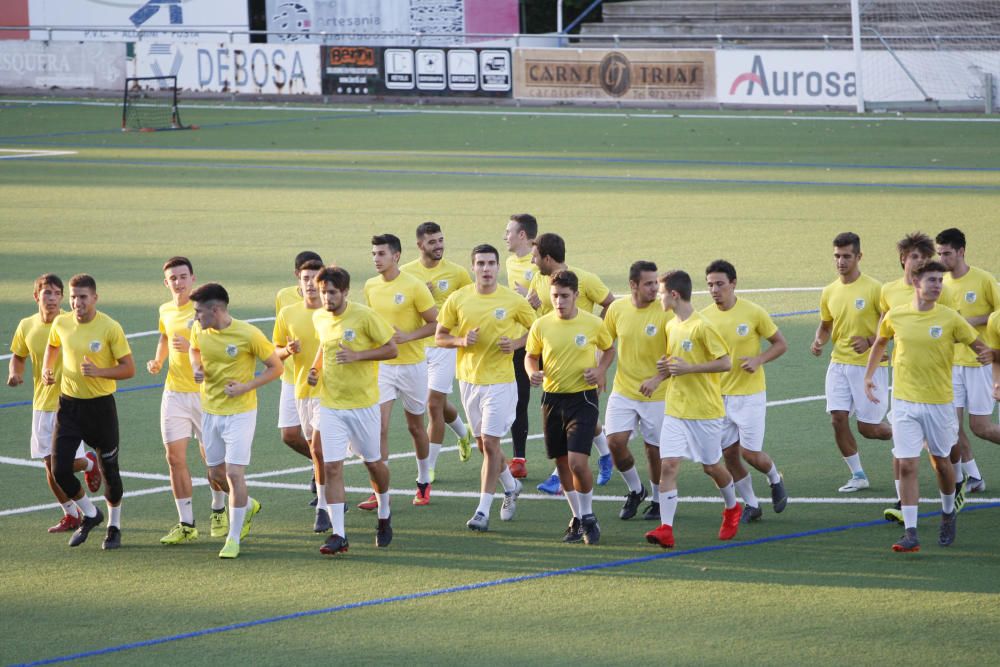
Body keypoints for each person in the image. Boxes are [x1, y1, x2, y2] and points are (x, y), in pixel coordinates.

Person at [864, 260, 990, 552]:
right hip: (905, 401)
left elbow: (978, 347)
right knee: (907, 464)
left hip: (939, 404)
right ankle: (911, 532)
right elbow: (880, 342)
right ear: (916, 282)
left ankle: (948, 511)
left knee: (941, 464)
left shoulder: (950, 318)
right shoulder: (896, 315)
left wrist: (985, 357)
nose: (937, 285)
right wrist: (869, 376)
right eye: (931, 280)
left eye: (939, 280)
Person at [437, 244, 536, 531]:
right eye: (480, 263)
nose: (486, 268)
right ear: (473, 267)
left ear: (497, 267)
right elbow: (440, 336)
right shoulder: (458, 299)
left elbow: (538, 331)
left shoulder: (512, 300)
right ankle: (511, 485)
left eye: (491, 263)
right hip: (469, 381)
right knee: (482, 444)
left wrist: (516, 344)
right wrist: (460, 341)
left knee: (491, 444)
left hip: (501, 383)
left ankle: (482, 510)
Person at [645, 270, 740, 549]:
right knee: (669, 465)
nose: (658, 297)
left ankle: (732, 507)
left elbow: (725, 363)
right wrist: (657, 377)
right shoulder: (671, 325)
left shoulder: (702, 326)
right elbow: (675, 365)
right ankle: (666, 529)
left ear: (674, 295)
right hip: (676, 409)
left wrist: (690, 369)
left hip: (706, 411)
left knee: (711, 467)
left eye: (661, 292)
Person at [189, 283, 282, 559]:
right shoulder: (199, 330)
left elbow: (276, 367)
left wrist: (246, 387)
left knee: (233, 473)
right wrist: (197, 367)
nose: (195, 317)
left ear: (215, 310)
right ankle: (247, 503)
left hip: (240, 413)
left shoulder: (248, 334)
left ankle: (233, 538)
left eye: (199, 312)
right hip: (210, 411)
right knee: (215, 474)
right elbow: (194, 350)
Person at [309, 266, 398, 555]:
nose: (327, 298)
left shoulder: (364, 316)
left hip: (364, 406)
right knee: (331, 466)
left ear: (345, 291)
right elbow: (324, 346)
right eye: (323, 292)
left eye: (332, 293)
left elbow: (391, 349)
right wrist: (315, 369)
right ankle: (339, 534)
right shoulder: (319, 317)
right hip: (331, 405)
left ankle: (384, 512)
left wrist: (359, 355)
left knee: (372, 463)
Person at [43, 274, 135, 549]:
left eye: (82, 297)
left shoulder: (109, 327)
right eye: (72, 297)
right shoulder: (61, 322)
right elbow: (53, 345)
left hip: (101, 408)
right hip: (69, 406)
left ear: (95, 297)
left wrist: (100, 372)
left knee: (110, 473)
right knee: (59, 470)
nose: (76, 302)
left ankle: (114, 526)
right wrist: (49, 368)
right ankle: (92, 515)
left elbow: (129, 368)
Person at [525, 270, 615, 545]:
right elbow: (531, 355)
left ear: (576, 295)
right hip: (552, 399)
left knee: (577, 462)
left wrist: (600, 371)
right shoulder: (541, 325)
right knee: (562, 463)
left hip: (583, 399)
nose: (559, 301)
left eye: (565, 296)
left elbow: (609, 349)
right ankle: (578, 518)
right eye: (555, 296)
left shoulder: (591, 324)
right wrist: (532, 372)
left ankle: (587, 516)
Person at [7, 274, 101, 534]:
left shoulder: (70, 323)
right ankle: (71, 515)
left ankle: (91, 463)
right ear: (36, 296)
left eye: (56, 293)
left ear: (62, 297)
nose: (51, 298)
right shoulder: (26, 325)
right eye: (46, 293)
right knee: (49, 466)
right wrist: (15, 373)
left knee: (63, 465)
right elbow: (18, 355)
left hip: (68, 403)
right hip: (41, 404)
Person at [148, 257, 230, 545]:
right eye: (173, 278)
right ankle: (186, 523)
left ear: (193, 278)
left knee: (213, 460)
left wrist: (191, 348)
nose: (179, 282)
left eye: (183, 276)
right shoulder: (165, 310)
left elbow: (218, 346)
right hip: (174, 393)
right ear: (166, 282)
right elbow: (164, 336)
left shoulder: (203, 310)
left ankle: (219, 508)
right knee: (174, 458)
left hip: (203, 393)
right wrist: (159, 360)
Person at [527, 232, 617, 493]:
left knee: (582, 415)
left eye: (535, 257)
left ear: (547, 257)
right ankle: (605, 453)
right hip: (552, 354)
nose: (533, 262)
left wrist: (597, 350)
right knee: (579, 420)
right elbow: (540, 318)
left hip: (585, 356)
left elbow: (610, 304)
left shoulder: (585, 279)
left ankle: (560, 477)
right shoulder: (539, 280)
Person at [879, 232, 958, 522]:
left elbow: (952, 325)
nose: (919, 263)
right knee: (903, 452)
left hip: (937, 380)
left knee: (942, 453)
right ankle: (903, 505)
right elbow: (883, 329)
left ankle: (955, 481)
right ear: (903, 259)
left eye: (925, 259)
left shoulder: (939, 290)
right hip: (903, 383)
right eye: (914, 257)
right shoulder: (887, 291)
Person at [701, 260, 788, 523]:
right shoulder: (704, 317)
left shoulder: (753, 312)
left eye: (720, 284)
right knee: (728, 455)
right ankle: (751, 503)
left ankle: (774, 478)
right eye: (710, 285)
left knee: (749, 453)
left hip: (750, 395)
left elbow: (780, 344)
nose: (715, 290)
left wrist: (759, 360)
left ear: (733, 283)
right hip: (718, 398)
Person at [810, 232, 892, 493]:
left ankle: (909, 432)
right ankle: (858, 474)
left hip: (870, 367)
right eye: (837, 256)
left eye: (846, 256)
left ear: (859, 256)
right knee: (837, 418)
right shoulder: (829, 291)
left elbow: (893, 325)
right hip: (839, 364)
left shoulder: (875, 289)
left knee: (868, 428)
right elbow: (825, 325)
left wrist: (870, 341)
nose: (841, 261)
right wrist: (819, 341)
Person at [364, 234, 438, 508]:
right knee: (379, 426)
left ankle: (423, 480)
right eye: (373, 254)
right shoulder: (370, 286)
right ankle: (379, 490)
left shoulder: (414, 286)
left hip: (412, 366)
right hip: (383, 367)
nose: (376, 259)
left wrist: (407, 337)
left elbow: (435, 324)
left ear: (396, 256)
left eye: (381, 254)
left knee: (415, 427)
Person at [400, 222, 473, 476]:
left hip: (444, 346)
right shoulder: (406, 274)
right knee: (433, 403)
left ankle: (428, 469)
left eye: (441, 240)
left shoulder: (457, 273)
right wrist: (420, 296)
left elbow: (471, 303)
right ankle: (463, 433)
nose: (439, 245)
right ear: (420, 245)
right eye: (432, 242)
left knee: (433, 405)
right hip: (417, 348)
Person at [602, 261, 672, 521]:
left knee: (654, 450)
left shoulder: (666, 312)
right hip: (624, 390)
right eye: (649, 283)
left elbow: (677, 355)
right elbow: (604, 343)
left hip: (659, 393)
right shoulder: (617, 309)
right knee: (614, 443)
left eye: (656, 283)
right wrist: (599, 370)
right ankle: (636, 489)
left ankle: (656, 499)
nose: (655, 288)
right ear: (633, 285)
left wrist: (656, 378)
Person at [935, 228, 1000, 494]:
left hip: (980, 364)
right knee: (951, 425)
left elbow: (997, 316)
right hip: (952, 365)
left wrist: (970, 322)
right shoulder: (939, 283)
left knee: (981, 427)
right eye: (938, 253)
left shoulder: (983, 279)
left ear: (961, 251)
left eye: (947, 253)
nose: (941, 258)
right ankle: (973, 476)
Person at [273, 259, 329, 533]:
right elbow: (276, 349)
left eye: (314, 278)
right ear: (298, 279)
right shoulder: (288, 311)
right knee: (291, 436)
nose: (309, 283)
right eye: (304, 278)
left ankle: (324, 505)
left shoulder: (332, 311)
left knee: (320, 449)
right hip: (297, 385)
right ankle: (326, 479)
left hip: (331, 389)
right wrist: (287, 351)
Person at [503, 213, 538, 477]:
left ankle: (603, 450)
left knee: (563, 400)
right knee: (520, 400)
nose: (506, 236)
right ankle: (519, 460)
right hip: (523, 340)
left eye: (509, 231)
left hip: (549, 339)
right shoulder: (508, 261)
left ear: (522, 235)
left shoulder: (540, 260)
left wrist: (535, 299)